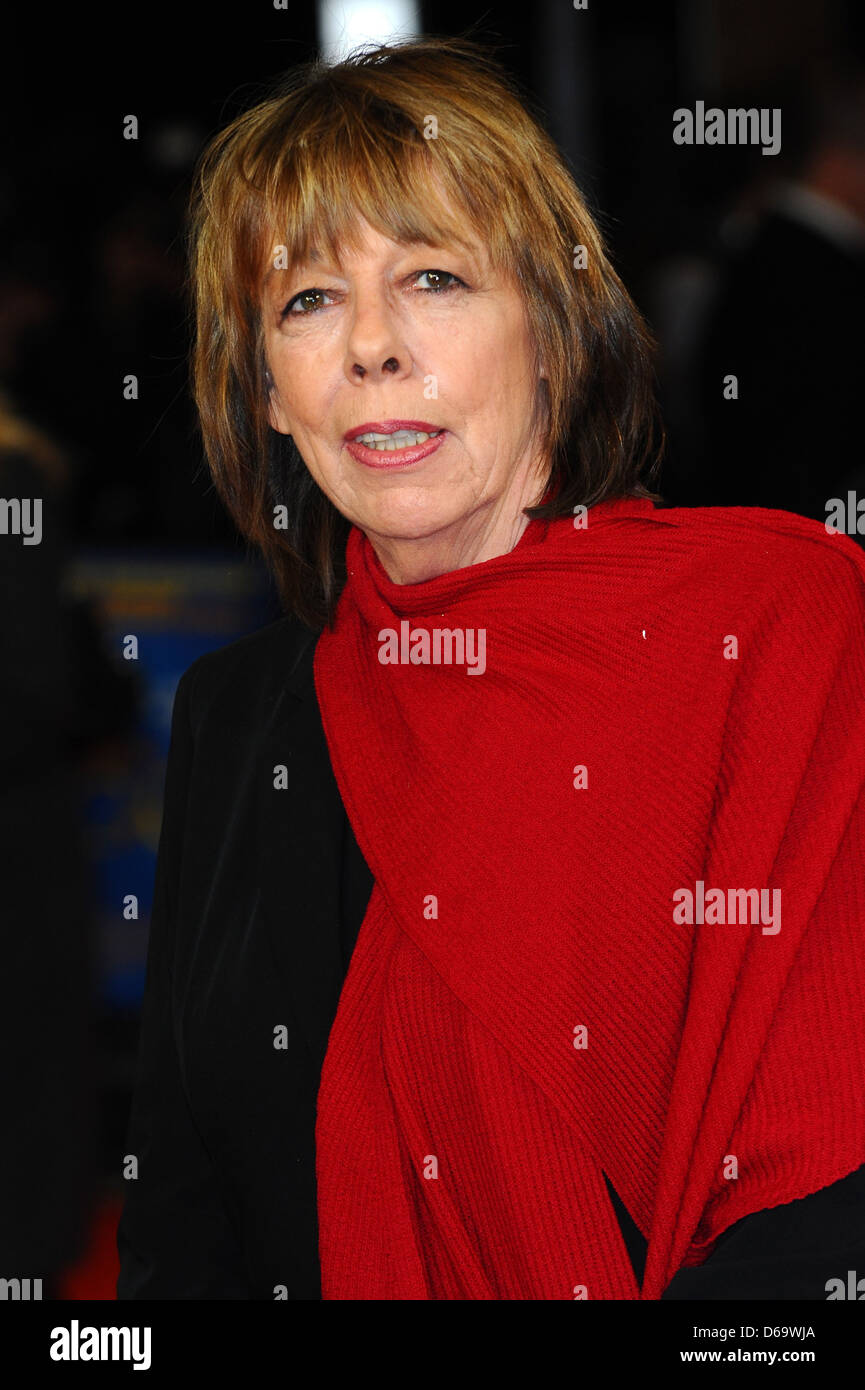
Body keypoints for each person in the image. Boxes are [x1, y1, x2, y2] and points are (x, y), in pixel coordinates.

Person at [116, 36, 865, 1301]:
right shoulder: (241, 716)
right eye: (306, 301)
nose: (371, 348)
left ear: (556, 334)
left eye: (434, 279)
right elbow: (184, 1226)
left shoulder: (775, 623)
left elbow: (827, 1196)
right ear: (267, 396)